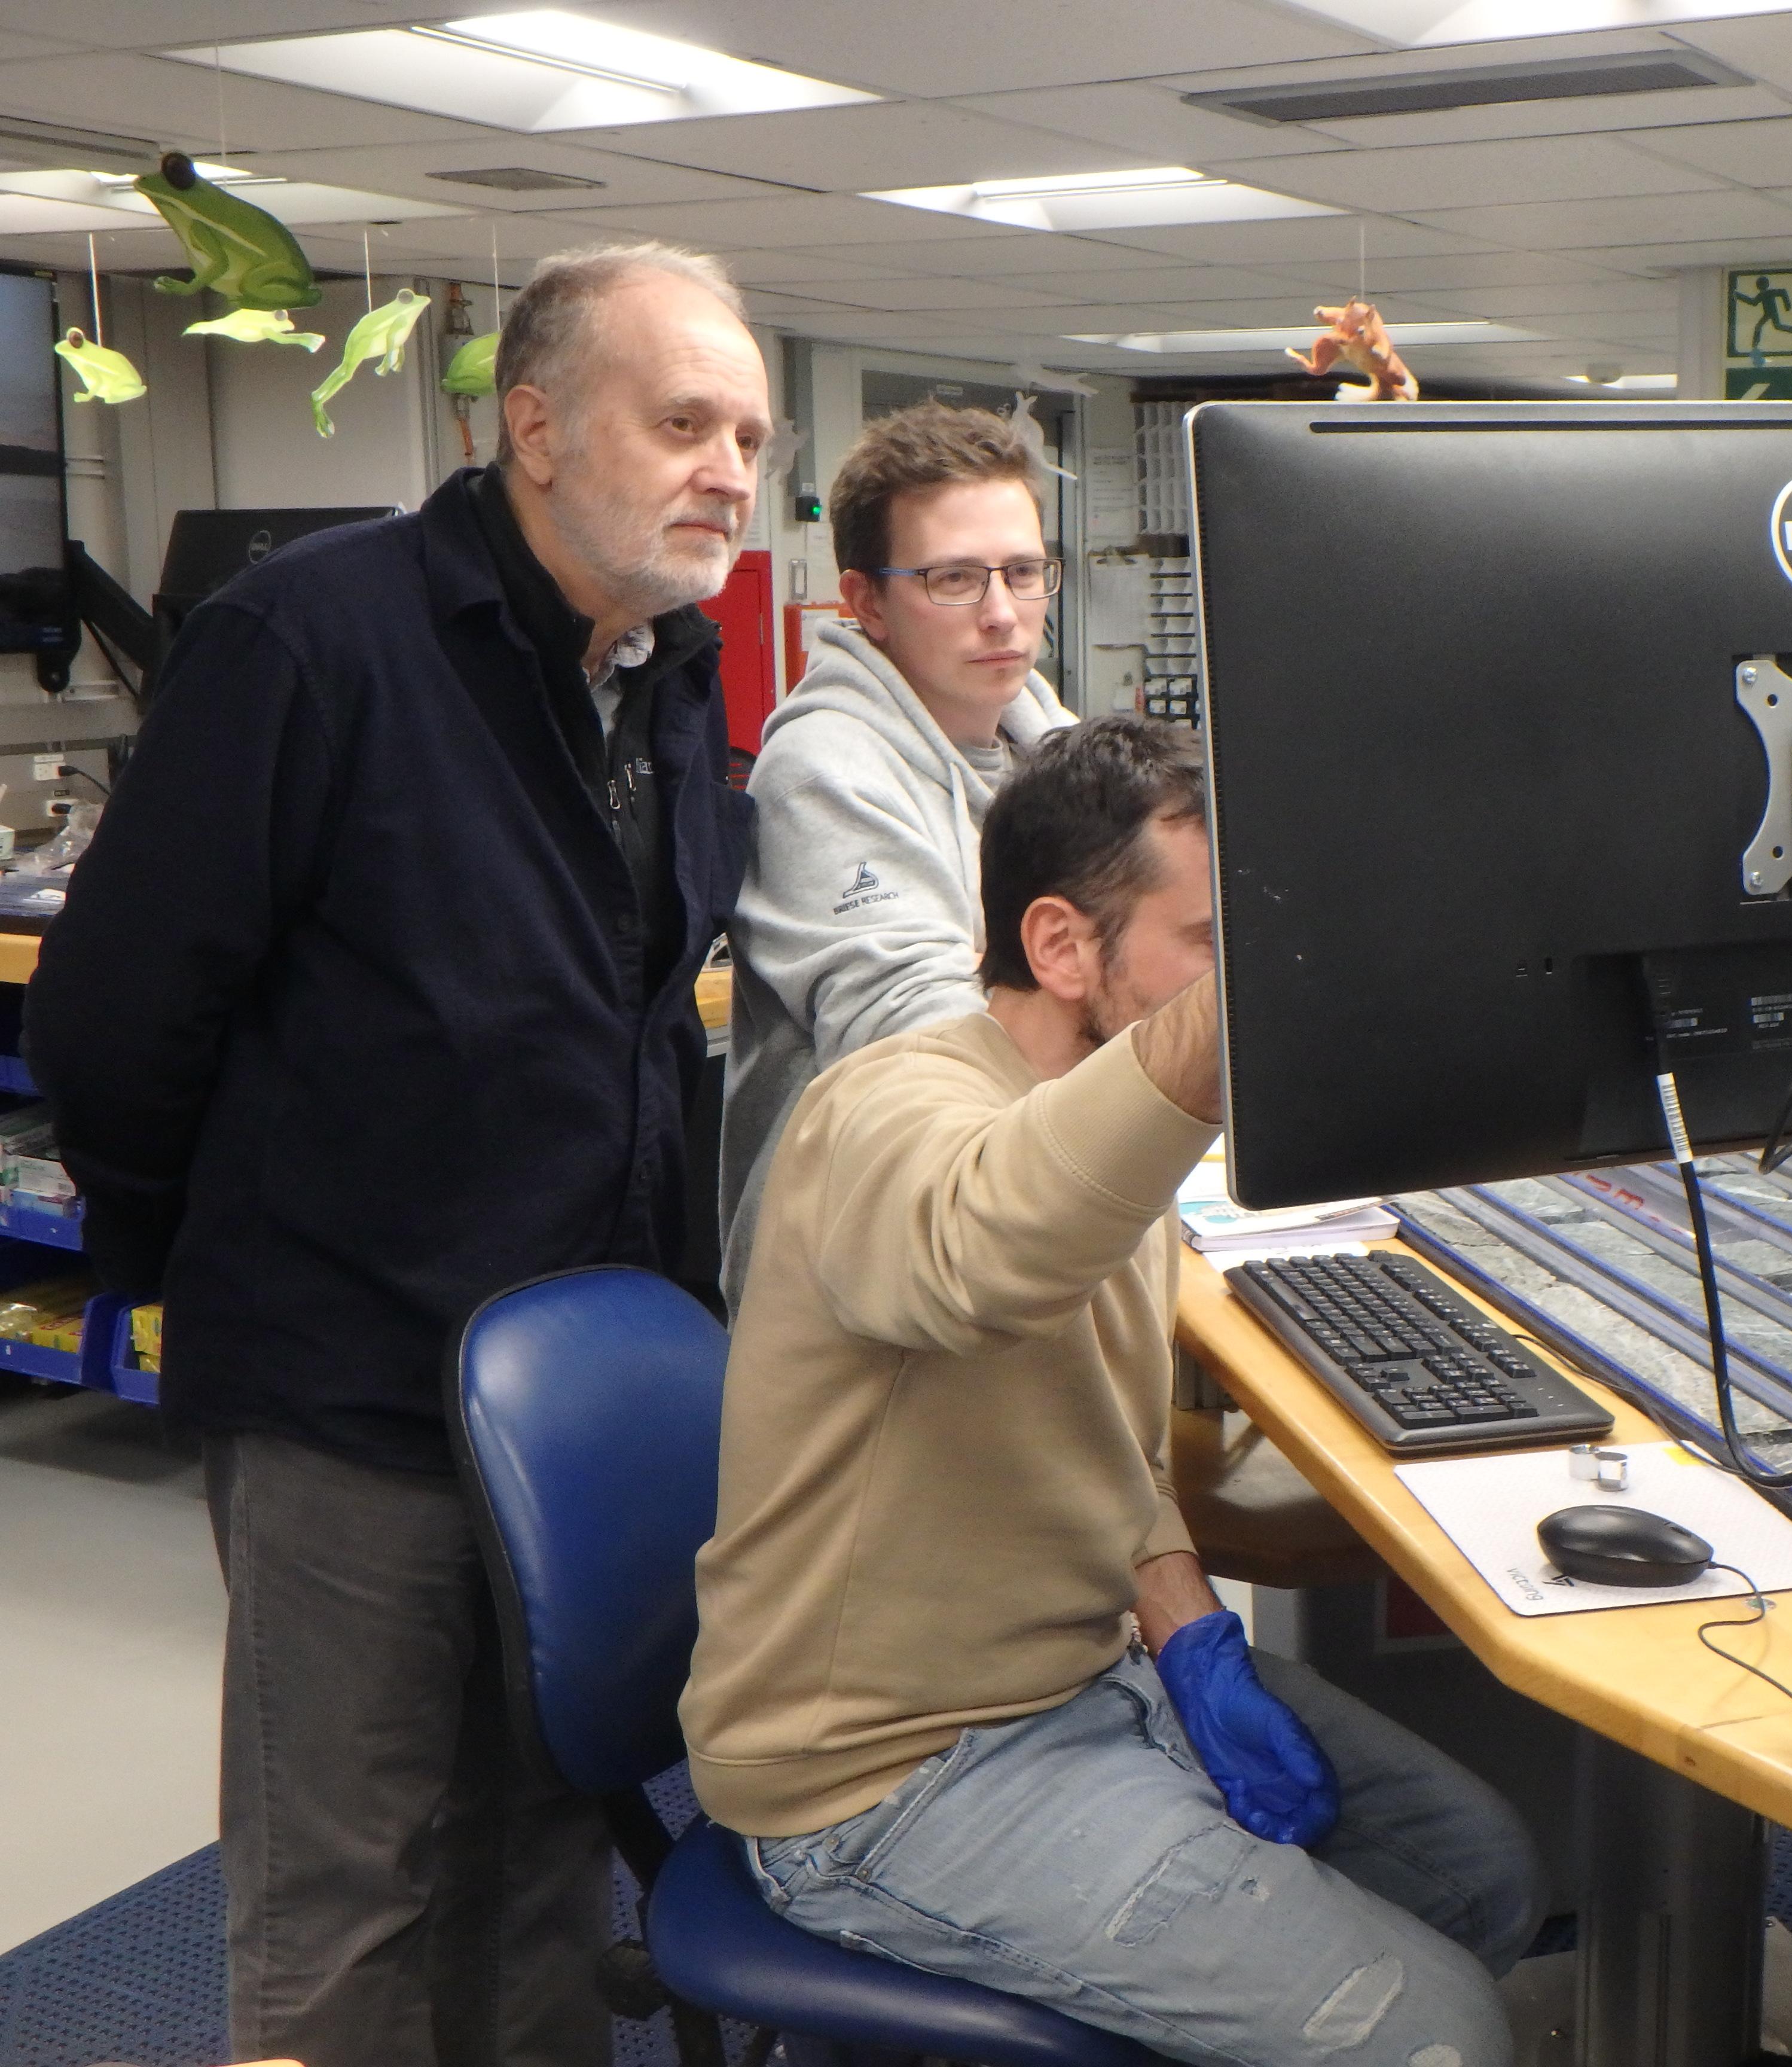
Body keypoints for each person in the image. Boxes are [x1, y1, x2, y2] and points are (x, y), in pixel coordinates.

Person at [26, 242, 768, 2066]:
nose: (731, 473)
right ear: (537, 425)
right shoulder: (315, 641)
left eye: (750, 439)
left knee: (540, 1863)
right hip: (349, 1391)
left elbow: (638, 1016)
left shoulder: (668, 671)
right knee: (346, 1902)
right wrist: (200, 1272)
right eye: (686, 424)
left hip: (572, 1402)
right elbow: (114, 1019)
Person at [683, 715, 1544, 2066]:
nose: (1243, 983)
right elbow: (975, 1253)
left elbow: (1106, 1442)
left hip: (1087, 1678)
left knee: (1470, 1869)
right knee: (1443, 2033)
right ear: (1060, 946)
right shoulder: (884, 1111)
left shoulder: (1110, 1129)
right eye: (1211, 942)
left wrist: (1192, 1634)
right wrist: (1242, 1010)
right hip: (886, 1774)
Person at [718, 401, 1071, 1304]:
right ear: (866, 600)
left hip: (1025, 1204)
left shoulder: (1051, 744)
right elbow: (922, 1039)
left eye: (1024, 572)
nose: (1003, 614)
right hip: (860, 1279)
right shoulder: (822, 768)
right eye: (954, 579)